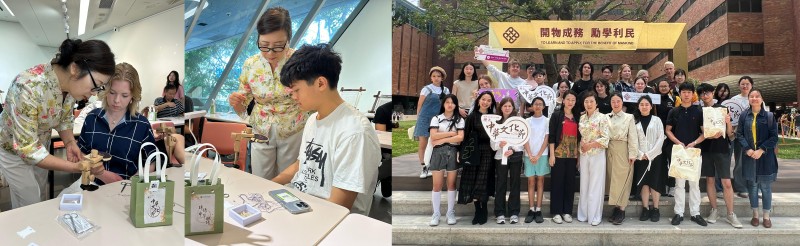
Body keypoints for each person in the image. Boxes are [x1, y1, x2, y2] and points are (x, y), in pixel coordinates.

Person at [0, 39, 114, 209]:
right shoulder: (27, 87)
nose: (93, 94)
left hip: (41, 147)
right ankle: (25, 231)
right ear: (75, 68)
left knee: (40, 192)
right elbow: (28, 149)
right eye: (96, 85)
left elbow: (64, 119)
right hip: (13, 150)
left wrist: (69, 142)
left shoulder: (68, 88)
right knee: (29, 198)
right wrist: (77, 167)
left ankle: (33, 227)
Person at [272, 43, 380, 215]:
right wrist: (270, 185)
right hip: (300, 205)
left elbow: (338, 208)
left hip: (332, 221)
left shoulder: (354, 132)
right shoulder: (313, 119)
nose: (293, 97)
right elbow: (302, 164)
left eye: (296, 90)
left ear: (321, 83)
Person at [229, 7, 309, 180]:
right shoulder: (251, 64)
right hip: (261, 129)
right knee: (261, 179)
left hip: (293, 128)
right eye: (264, 46)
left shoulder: (299, 61)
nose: (270, 53)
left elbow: (310, 97)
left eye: (278, 47)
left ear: (289, 38)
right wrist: (236, 102)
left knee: (288, 180)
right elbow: (243, 105)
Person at [61, 63, 160, 194]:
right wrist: (101, 173)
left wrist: (134, 182)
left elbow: (152, 160)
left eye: (124, 95)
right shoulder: (92, 118)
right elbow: (81, 152)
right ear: (105, 91)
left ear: (132, 97)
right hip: (91, 185)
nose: (116, 100)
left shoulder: (141, 124)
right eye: (112, 93)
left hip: (126, 191)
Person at [696, 83, 742, 228]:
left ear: (712, 93)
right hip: (706, 149)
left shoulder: (723, 109)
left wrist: (728, 123)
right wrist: (707, 134)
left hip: (722, 149)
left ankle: (730, 214)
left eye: (708, 92)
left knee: (726, 182)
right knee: (710, 180)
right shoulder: (699, 111)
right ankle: (714, 210)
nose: (705, 95)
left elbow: (730, 134)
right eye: (702, 93)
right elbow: (700, 131)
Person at [665, 82, 708, 226]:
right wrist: (678, 142)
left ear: (693, 94)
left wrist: (694, 142)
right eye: (684, 92)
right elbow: (668, 130)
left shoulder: (698, 111)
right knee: (679, 185)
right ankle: (679, 213)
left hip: (694, 152)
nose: (686, 94)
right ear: (680, 93)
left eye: (689, 92)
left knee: (695, 184)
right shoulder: (674, 111)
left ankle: (696, 213)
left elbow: (704, 132)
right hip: (679, 153)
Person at [736, 89, 778, 228]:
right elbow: (739, 134)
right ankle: (755, 214)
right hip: (749, 156)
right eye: (751, 96)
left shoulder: (770, 116)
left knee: (765, 187)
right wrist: (747, 149)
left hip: (765, 156)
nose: (754, 98)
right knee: (752, 187)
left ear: (761, 98)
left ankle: (766, 216)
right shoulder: (744, 115)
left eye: (757, 96)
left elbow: (774, 137)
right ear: (748, 99)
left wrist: (761, 150)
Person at [457, 91, 497, 225]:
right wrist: (461, 152)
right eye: (483, 99)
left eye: (489, 100)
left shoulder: (494, 117)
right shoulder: (472, 117)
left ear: (491, 103)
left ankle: (483, 210)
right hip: (473, 151)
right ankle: (477, 211)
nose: (486, 102)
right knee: (473, 180)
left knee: (483, 180)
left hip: (488, 152)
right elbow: (466, 136)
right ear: (479, 100)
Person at [427, 94, 464, 226]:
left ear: (455, 105)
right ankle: (436, 213)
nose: (450, 105)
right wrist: (450, 134)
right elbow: (433, 137)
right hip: (437, 153)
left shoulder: (459, 120)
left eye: (452, 102)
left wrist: (442, 139)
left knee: (451, 184)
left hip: (453, 152)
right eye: (447, 102)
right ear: (443, 104)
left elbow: (460, 138)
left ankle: (450, 212)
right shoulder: (436, 118)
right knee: (437, 185)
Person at [577, 92, 611, 226]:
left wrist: (590, 145)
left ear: (596, 103)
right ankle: (584, 214)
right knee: (584, 184)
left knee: (596, 185)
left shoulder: (603, 118)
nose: (589, 104)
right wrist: (582, 150)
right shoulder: (582, 118)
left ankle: (595, 216)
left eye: (591, 101)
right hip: (584, 154)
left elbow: (605, 139)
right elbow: (581, 137)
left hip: (597, 153)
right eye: (586, 102)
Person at [631, 95, 666, 222]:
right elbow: (632, 140)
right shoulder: (634, 121)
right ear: (638, 107)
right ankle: (645, 208)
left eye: (647, 104)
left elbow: (660, 138)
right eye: (642, 104)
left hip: (655, 157)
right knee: (644, 183)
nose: (644, 107)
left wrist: (650, 154)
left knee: (655, 183)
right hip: (640, 157)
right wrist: (641, 154)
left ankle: (655, 208)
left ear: (651, 106)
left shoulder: (657, 120)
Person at [605, 93, 638, 225]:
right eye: (613, 101)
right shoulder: (605, 117)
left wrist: (633, 154)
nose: (616, 104)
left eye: (618, 101)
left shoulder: (629, 117)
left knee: (624, 179)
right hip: (608, 150)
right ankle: (616, 208)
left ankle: (622, 209)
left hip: (623, 149)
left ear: (622, 102)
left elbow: (633, 136)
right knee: (612, 179)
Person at [549, 90, 580, 224]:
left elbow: (580, 138)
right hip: (559, 153)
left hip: (572, 154)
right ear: (563, 100)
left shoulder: (577, 117)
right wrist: (551, 155)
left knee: (570, 183)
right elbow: (551, 136)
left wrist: (578, 157)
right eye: (568, 99)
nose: (570, 102)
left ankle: (567, 211)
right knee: (557, 183)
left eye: (573, 100)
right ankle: (556, 212)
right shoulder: (556, 115)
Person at [492, 97, 525, 224]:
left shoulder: (518, 121)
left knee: (515, 184)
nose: (507, 108)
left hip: (515, 157)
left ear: (513, 108)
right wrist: (499, 145)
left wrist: (513, 149)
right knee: (501, 183)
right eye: (504, 106)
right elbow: (492, 142)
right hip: (500, 157)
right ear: (501, 107)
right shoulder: (496, 122)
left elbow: (522, 139)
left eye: (509, 106)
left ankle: (514, 212)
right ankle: (499, 212)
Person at [414, 66, 450, 179]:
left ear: (442, 78)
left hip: (438, 120)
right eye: (434, 76)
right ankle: (424, 167)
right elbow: (419, 105)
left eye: (438, 76)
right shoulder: (426, 89)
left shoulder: (446, 90)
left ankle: (434, 165)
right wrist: (418, 119)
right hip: (424, 119)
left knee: (437, 144)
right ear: (431, 78)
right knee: (423, 144)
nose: (436, 78)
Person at [522, 97, 550, 224]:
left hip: (542, 155)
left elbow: (546, 139)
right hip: (529, 155)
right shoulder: (527, 121)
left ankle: (538, 209)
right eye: (535, 104)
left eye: (540, 104)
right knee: (530, 182)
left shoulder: (547, 121)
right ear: (531, 106)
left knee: (540, 181)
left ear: (544, 107)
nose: (538, 106)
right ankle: (531, 209)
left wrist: (538, 155)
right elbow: (525, 138)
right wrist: (530, 154)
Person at [729, 76, 755, 198]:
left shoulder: (756, 98)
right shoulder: (734, 100)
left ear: (751, 85)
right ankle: (740, 187)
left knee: (753, 161)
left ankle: (753, 187)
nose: (745, 86)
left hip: (754, 135)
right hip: (739, 135)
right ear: (739, 85)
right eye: (743, 84)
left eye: (747, 84)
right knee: (739, 161)